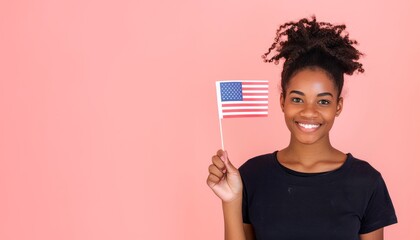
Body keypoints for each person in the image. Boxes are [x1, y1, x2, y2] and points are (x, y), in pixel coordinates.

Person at [206, 16, 397, 240]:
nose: (309, 111)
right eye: (297, 99)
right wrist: (231, 201)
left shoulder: (366, 181)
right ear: (282, 101)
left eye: (323, 101)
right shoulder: (251, 175)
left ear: (338, 106)